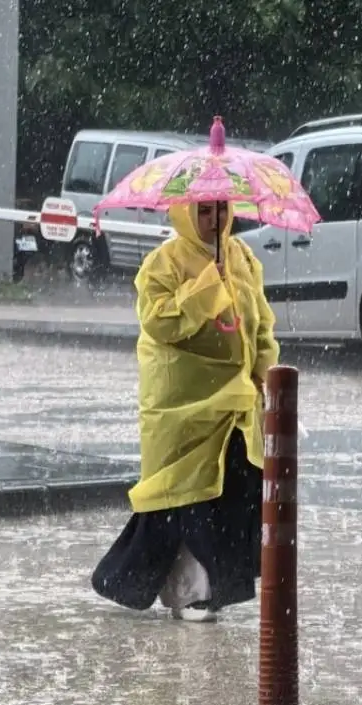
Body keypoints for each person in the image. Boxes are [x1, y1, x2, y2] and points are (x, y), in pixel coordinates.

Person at [91, 199, 280, 622]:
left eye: (221, 209)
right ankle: (192, 591)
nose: (214, 220)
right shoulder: (163, 263)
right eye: (204, 211)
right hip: (182, 406)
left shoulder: (243, 258)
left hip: (235, 404)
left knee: (233, 488)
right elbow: (161, 321)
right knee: (186, 496)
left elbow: (261, 326)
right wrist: (206, 286)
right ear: (184, 214)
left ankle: (204, 585)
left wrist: (266, 374)